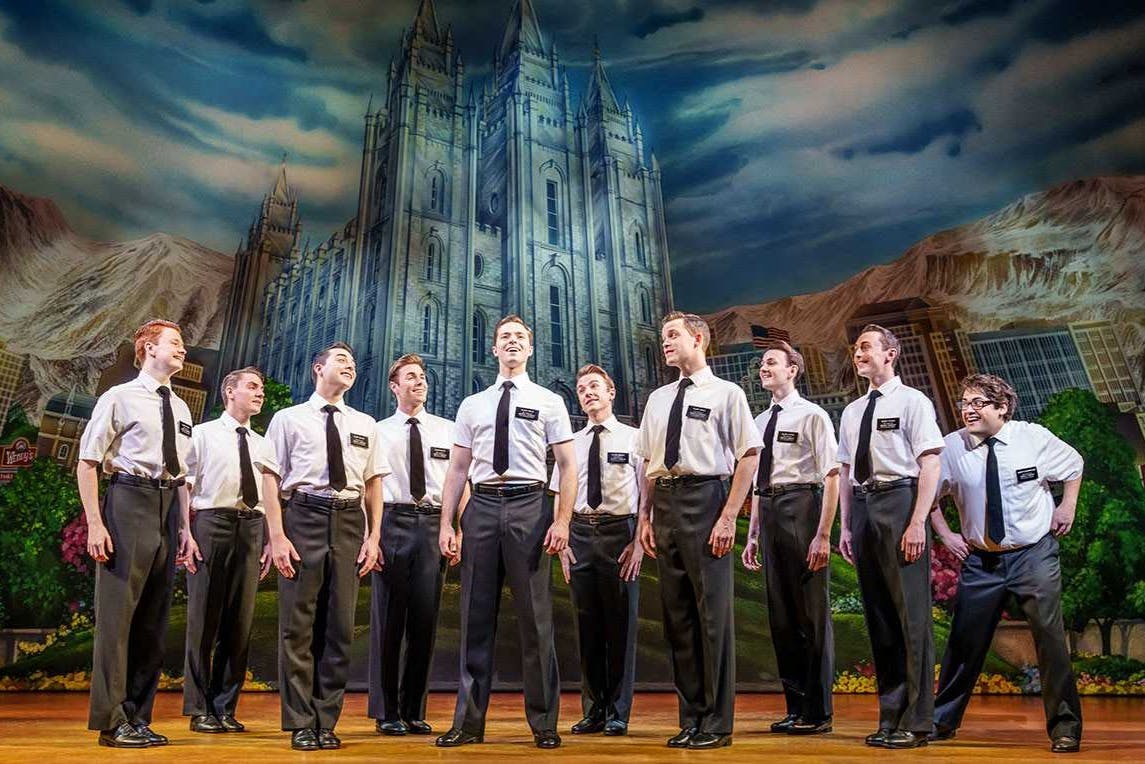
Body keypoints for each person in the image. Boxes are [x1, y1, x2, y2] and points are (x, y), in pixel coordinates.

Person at [435, 315, 576, 749]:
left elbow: (567, 465)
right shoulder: (472, 404)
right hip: (481, 507)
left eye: (519, 337)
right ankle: (468, 724)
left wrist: (562, 520)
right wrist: (447, 522)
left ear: (530, 349)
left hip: (529, 505)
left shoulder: (549, 400)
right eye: (504, 338)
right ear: (494, 348)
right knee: (475, 620)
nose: (512, 342)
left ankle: (544, 723)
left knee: (536, 620)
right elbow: (458, 469)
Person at [929, 373, 1083, 754]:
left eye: (978, 403)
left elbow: (1074, 464)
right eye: (965, 403)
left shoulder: (1032, 438)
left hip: (1033, 554)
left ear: (1002, 408)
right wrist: (945, 534)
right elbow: (928, 495)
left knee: (1049, 638)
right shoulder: (951, 447)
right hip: (982, 561)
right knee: (964, 641)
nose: (968, 409)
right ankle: (941, 721)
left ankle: (1065, 729)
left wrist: (1067, 506)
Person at [635, 311, 761, 750]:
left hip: (706, 501)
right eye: (663, 336)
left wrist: (728, 516)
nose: (665, 342)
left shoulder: (727, 393)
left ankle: (717, 723)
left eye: (673, 335)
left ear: (698, 339)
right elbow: (647, 463)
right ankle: (690, 718)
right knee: (678, 619)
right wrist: (645, 517)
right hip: (665, 504)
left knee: (712, 618)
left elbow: (749, 455)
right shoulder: (657, 399)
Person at [263, 342, 387, 751]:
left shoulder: (366, 423)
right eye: (341, 360)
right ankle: (301, 722)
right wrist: (277, 536)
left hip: (350, 520)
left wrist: (374, 537)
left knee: (339, 627)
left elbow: (373, 483)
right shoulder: (288, 419)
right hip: (304, 516)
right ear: (318, 368)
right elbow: (270, 478)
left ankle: (326, 720)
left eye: (353, 362)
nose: (350, 365)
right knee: (298, 626)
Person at [78, 319, 194, 748]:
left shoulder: (181, 408)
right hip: (129, 500)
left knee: (153, 620)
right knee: (118, 619)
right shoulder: (119, 397)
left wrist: (185, 529)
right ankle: (111, 722)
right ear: (147, 348)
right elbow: (88, 462)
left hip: (167, 506)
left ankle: (138, 717)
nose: (182, 349)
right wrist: (95, 523)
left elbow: (181, 475)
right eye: (175, 343)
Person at [837, 324, 944, 749]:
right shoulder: (851, 411)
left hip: (901, 502)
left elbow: (930, 464)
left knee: (911, 616)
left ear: (890, 353)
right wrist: (846, 525)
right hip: (864, 506)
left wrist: (918, 521)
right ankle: (890, 716)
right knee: (879, 616)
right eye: (855, 349)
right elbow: (845, 471)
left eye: (866, 346)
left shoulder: (913, 402)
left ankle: (918, 721)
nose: (858, 354)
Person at [742, 341, 839, 735]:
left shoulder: (812, 415)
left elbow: (831, 475)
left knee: (810, 615)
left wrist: (823, 534)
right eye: (762, 364)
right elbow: (755, 482)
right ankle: (795, 707)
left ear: (792, 369)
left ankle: (818, 712)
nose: (764, 368)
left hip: (801, 506)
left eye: (771, 362)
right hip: (768, 509)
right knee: (781, 617)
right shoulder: (759, 421)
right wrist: (752, 534)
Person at [369, 354, 468, 736]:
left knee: (425, 621)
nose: (420, 381)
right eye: (411, 376)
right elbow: (368, 487)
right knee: (389, 620)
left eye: (423, 376)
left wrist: (458, 529)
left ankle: (413, 709)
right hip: (391, 523)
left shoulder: (448, 430)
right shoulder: (377, 431)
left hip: (433, 526)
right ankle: (386, 711)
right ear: (394, 387)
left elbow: (461, 483)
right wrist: (371, 536)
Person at [178, 366, 277, 734]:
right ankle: (199, 708)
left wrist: (271, 538)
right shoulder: (202, 435)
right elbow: (185, 486)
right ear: (230, 392)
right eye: (252, 386)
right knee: (203, 619)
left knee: (240, 621)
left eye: (261, 388)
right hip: (211, 524)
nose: (260, 392)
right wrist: (185, 531)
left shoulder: (264, 444)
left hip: (251, 527)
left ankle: (225, 706)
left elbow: (270, 497)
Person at [551, 364, 643, 737]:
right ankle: (594, 710)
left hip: (619, 534)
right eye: (582, 389)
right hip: (579, 535)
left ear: (611, 392)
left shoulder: (635, 438)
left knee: (621, 627)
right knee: (586, 628)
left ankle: (618, 712)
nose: (588, 393)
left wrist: (639, 540)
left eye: (594, 386)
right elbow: (560, 493)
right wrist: (562, 540)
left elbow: (646, 493)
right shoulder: (570, 444)